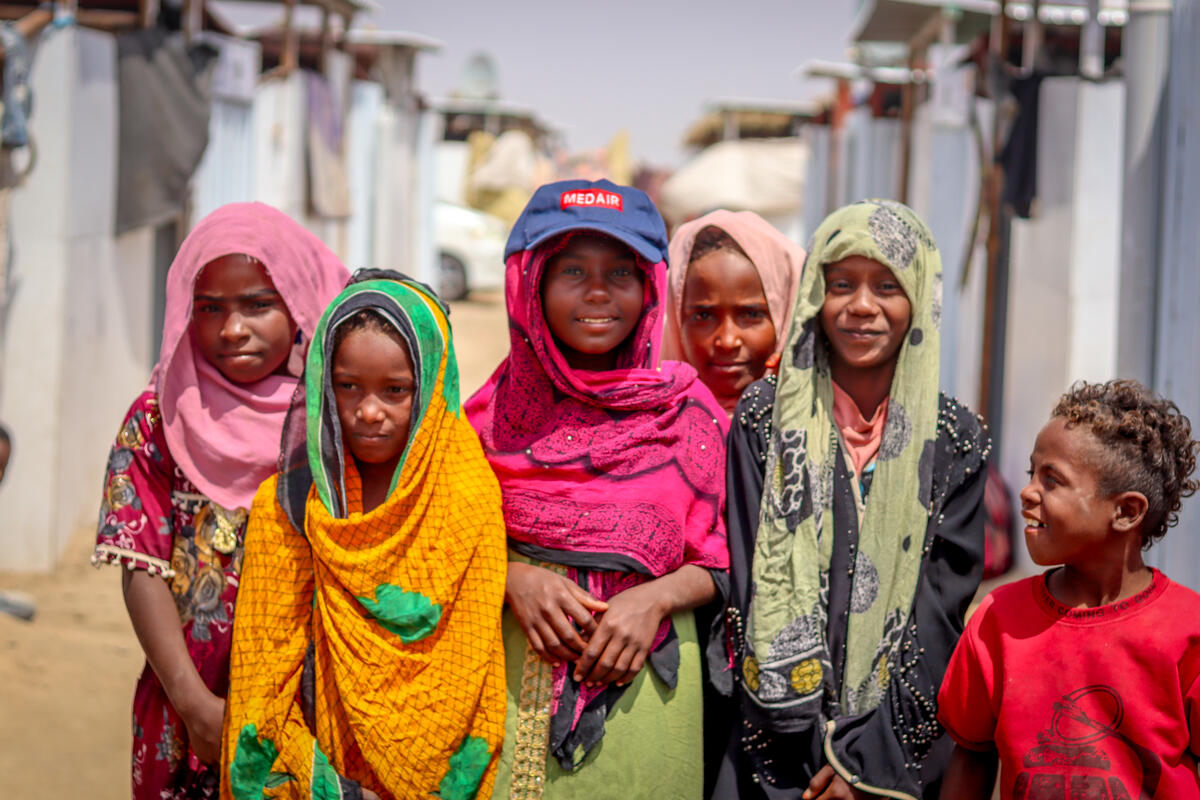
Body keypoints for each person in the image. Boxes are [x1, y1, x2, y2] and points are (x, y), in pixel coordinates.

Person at [713, 199, 989, 800]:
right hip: (775, 740)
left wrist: (862, 764)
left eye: (886, 285)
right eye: (841, 284)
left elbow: (938, 615)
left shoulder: (956, 441)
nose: (861, 306)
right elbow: (751, 585)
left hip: (897, 753)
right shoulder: (764, 420)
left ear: (920, 296)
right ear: (816, 294)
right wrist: (803, 740)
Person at [465, 179, 730, 798]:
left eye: (620, 272)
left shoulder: (689, 413)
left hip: (645, 703)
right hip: (498, 697)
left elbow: (725, 556)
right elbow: (439, 544)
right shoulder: (485, 419)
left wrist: (655, 599)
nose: (597, 293)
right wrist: (513, 578)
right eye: (571, 271)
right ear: (529, 284)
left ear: (649, 287)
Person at [91, 203, 349, 800]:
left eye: (258, 304)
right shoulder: (159, 416)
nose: (232, 329)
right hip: (192, 710)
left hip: (319, 703)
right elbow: (141, 564)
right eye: (209, 308)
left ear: (301, 301)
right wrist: (192, 703)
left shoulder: (337, 417)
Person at [221, 272, 507, 800]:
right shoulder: (288, 508)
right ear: (321, 384)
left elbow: (475, 680)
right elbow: (261, 692)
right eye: (347, 386)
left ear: (430, 390)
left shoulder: (467, 500)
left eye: (396, 391)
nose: (369, 411)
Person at [938, 379, 1200, 800]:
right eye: (1031, 473)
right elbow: (970, 756)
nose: (1026, 492)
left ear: (1126, 511)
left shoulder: (1188, 631)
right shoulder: (998, 619)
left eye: (1052, 480)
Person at [664, 210, 804, 415]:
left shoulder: (820, 424)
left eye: (752, 314)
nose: (728, 341)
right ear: (676, 321)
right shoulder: (645, 426)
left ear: (785, 314)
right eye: (703, 316)